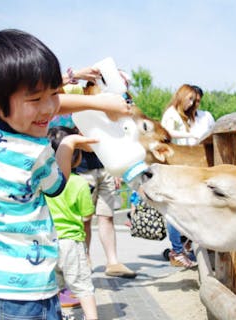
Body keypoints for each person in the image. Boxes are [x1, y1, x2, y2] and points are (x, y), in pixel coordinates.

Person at [0, 28, 120, 320]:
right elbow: (57, 185)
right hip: (27, 293)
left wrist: (64, 84)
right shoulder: (34, 152)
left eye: (53, 94)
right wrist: (68, 145)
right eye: (35, 100)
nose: (49, 109)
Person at [60, 78, 137, 278]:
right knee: (84, 219)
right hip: (83, 169)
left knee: (107, 216)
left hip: (106, 169)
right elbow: (80, 142)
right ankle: (84, 260)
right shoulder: (80, 108)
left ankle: (112, 262)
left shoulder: (111, 109)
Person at [46, 126, 98, 320]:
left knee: (52, 287)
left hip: (47, 241)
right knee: (83, 285)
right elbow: (86, 218)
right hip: (72, 242)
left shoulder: (44, 183)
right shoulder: (80, 184)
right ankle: (91, 317)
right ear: (76, 157)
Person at [160, 84, 214, 268]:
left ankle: (185, 246)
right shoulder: (171, 114)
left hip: (188, 166)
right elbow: (165, 134)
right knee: (174, 209)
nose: (192, 104)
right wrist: (190, 135)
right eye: (190, 99)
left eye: (195, 101)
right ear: (182, 96)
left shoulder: (189, 117)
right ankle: (177, 250)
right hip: (176, 166)